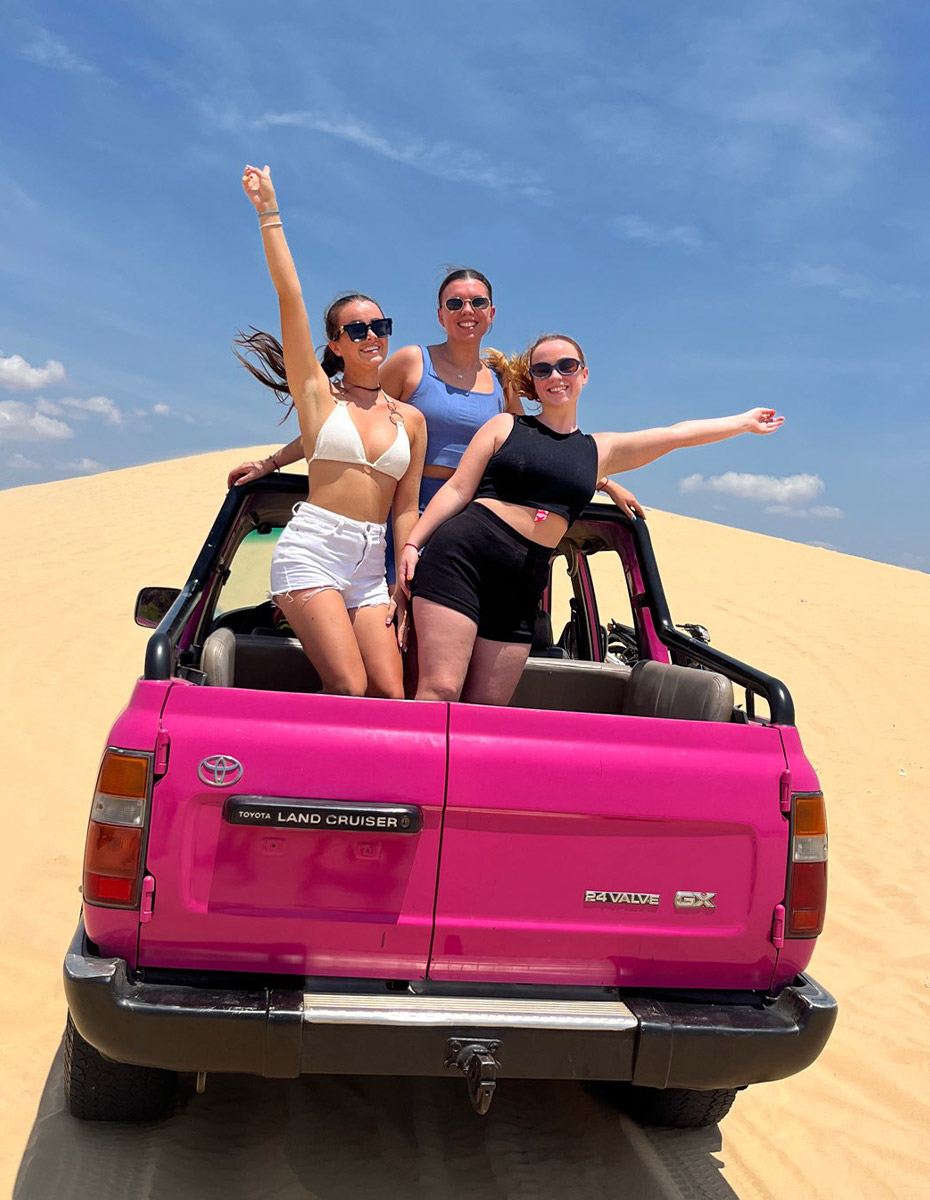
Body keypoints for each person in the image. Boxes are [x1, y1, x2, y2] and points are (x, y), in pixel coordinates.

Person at [399, 333, 784, 707]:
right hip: (462, 558)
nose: (555, 376)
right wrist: (414, 544)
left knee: (488, 706)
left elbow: (675, 435)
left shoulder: (600, 450)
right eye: (543, 369)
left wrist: (743, 422)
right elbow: (456, 491)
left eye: (566, 366)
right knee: (440, 691)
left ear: (584, 374)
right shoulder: (505, 426)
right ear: (532, 380)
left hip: (523, 581)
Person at [227, 270, 644, 543]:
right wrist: (271, 463)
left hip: (471, 519)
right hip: (401, 511)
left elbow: (537, 453)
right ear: (440, 315)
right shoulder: (411, 363)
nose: (468, 311)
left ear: (492, 314)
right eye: (455, 303)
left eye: (478, 303)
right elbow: (346, 423)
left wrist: (604, 481)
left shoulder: (503, 381)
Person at [238, 163, 426, 699]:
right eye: (357, 329)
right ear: (336, 344)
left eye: (380, 326)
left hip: (369, 563)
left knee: (392, 695)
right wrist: (269, 213)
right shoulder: (319, 396)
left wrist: (402, 577)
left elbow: (405, 506)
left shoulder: (409, 419)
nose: (372, 336)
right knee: (347, 683)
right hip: (313, 549)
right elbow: (289, 298)